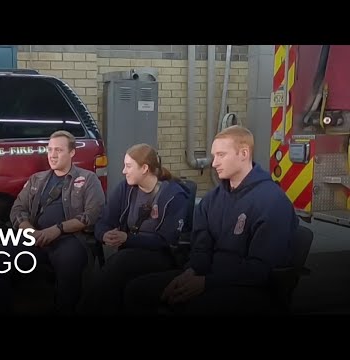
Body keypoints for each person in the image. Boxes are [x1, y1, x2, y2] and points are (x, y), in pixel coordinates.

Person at [124, 125, 299, 315]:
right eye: (214, 156)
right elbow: (201, 248)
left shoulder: (272, 201)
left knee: (194, 307)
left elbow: (260, 269)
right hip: (208, 276)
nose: (214, 163)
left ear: (244, 153)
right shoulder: (211, 199)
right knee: (136, 290)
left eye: (221, 155)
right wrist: (190, 272)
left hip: (251, 287)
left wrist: (206, 283)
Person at [0, 130, 105, 314]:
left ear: (72, 152)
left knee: (70, 263)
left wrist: (58, 229)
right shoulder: (37, 179)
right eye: (50, 149)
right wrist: (30, 231)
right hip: (35, 237)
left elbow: (92, 214)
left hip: (70, 238)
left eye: (58, 150)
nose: (52, 155)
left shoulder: (89, 179)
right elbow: (18, 209)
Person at [78, 143, 190, 315]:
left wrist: (127, 239)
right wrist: (104, 234)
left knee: (119, 265)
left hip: (161, 255)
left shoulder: (173, 195)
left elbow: (167, 241)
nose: (124, 171)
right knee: (118, 271)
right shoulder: (126, 188)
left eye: (128, 166)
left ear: (144, 168)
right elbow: (104, 220)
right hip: (129, 251)